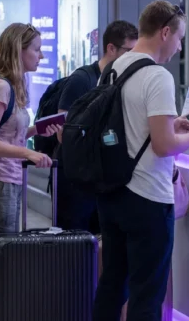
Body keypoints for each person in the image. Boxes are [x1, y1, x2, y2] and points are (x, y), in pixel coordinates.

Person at [94, 1, 189, 321]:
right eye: (179, 39)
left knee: (112, 284)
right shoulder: (157, 76)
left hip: (112, 193)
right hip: (148, 198)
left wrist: (172, 124)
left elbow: (135, 128)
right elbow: (164, 147)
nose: (178, 48)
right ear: (165, 32)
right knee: (147, 293)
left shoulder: (113, 68)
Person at [0, 23, 59, 321]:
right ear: (18, 50)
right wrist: (28, 152)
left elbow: (5, 134)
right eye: (36, 49)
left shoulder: (13, 85)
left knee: (1, 263)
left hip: (6, 183)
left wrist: (36, 130)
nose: (41, 56)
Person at [52, 20, 138, 234]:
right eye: (129, 51)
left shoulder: (119, 81)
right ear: (111, 48)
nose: (134, 57)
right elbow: (63, 131)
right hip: (76, 180)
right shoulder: (82, 80)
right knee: (74, 246)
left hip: (101, 179)